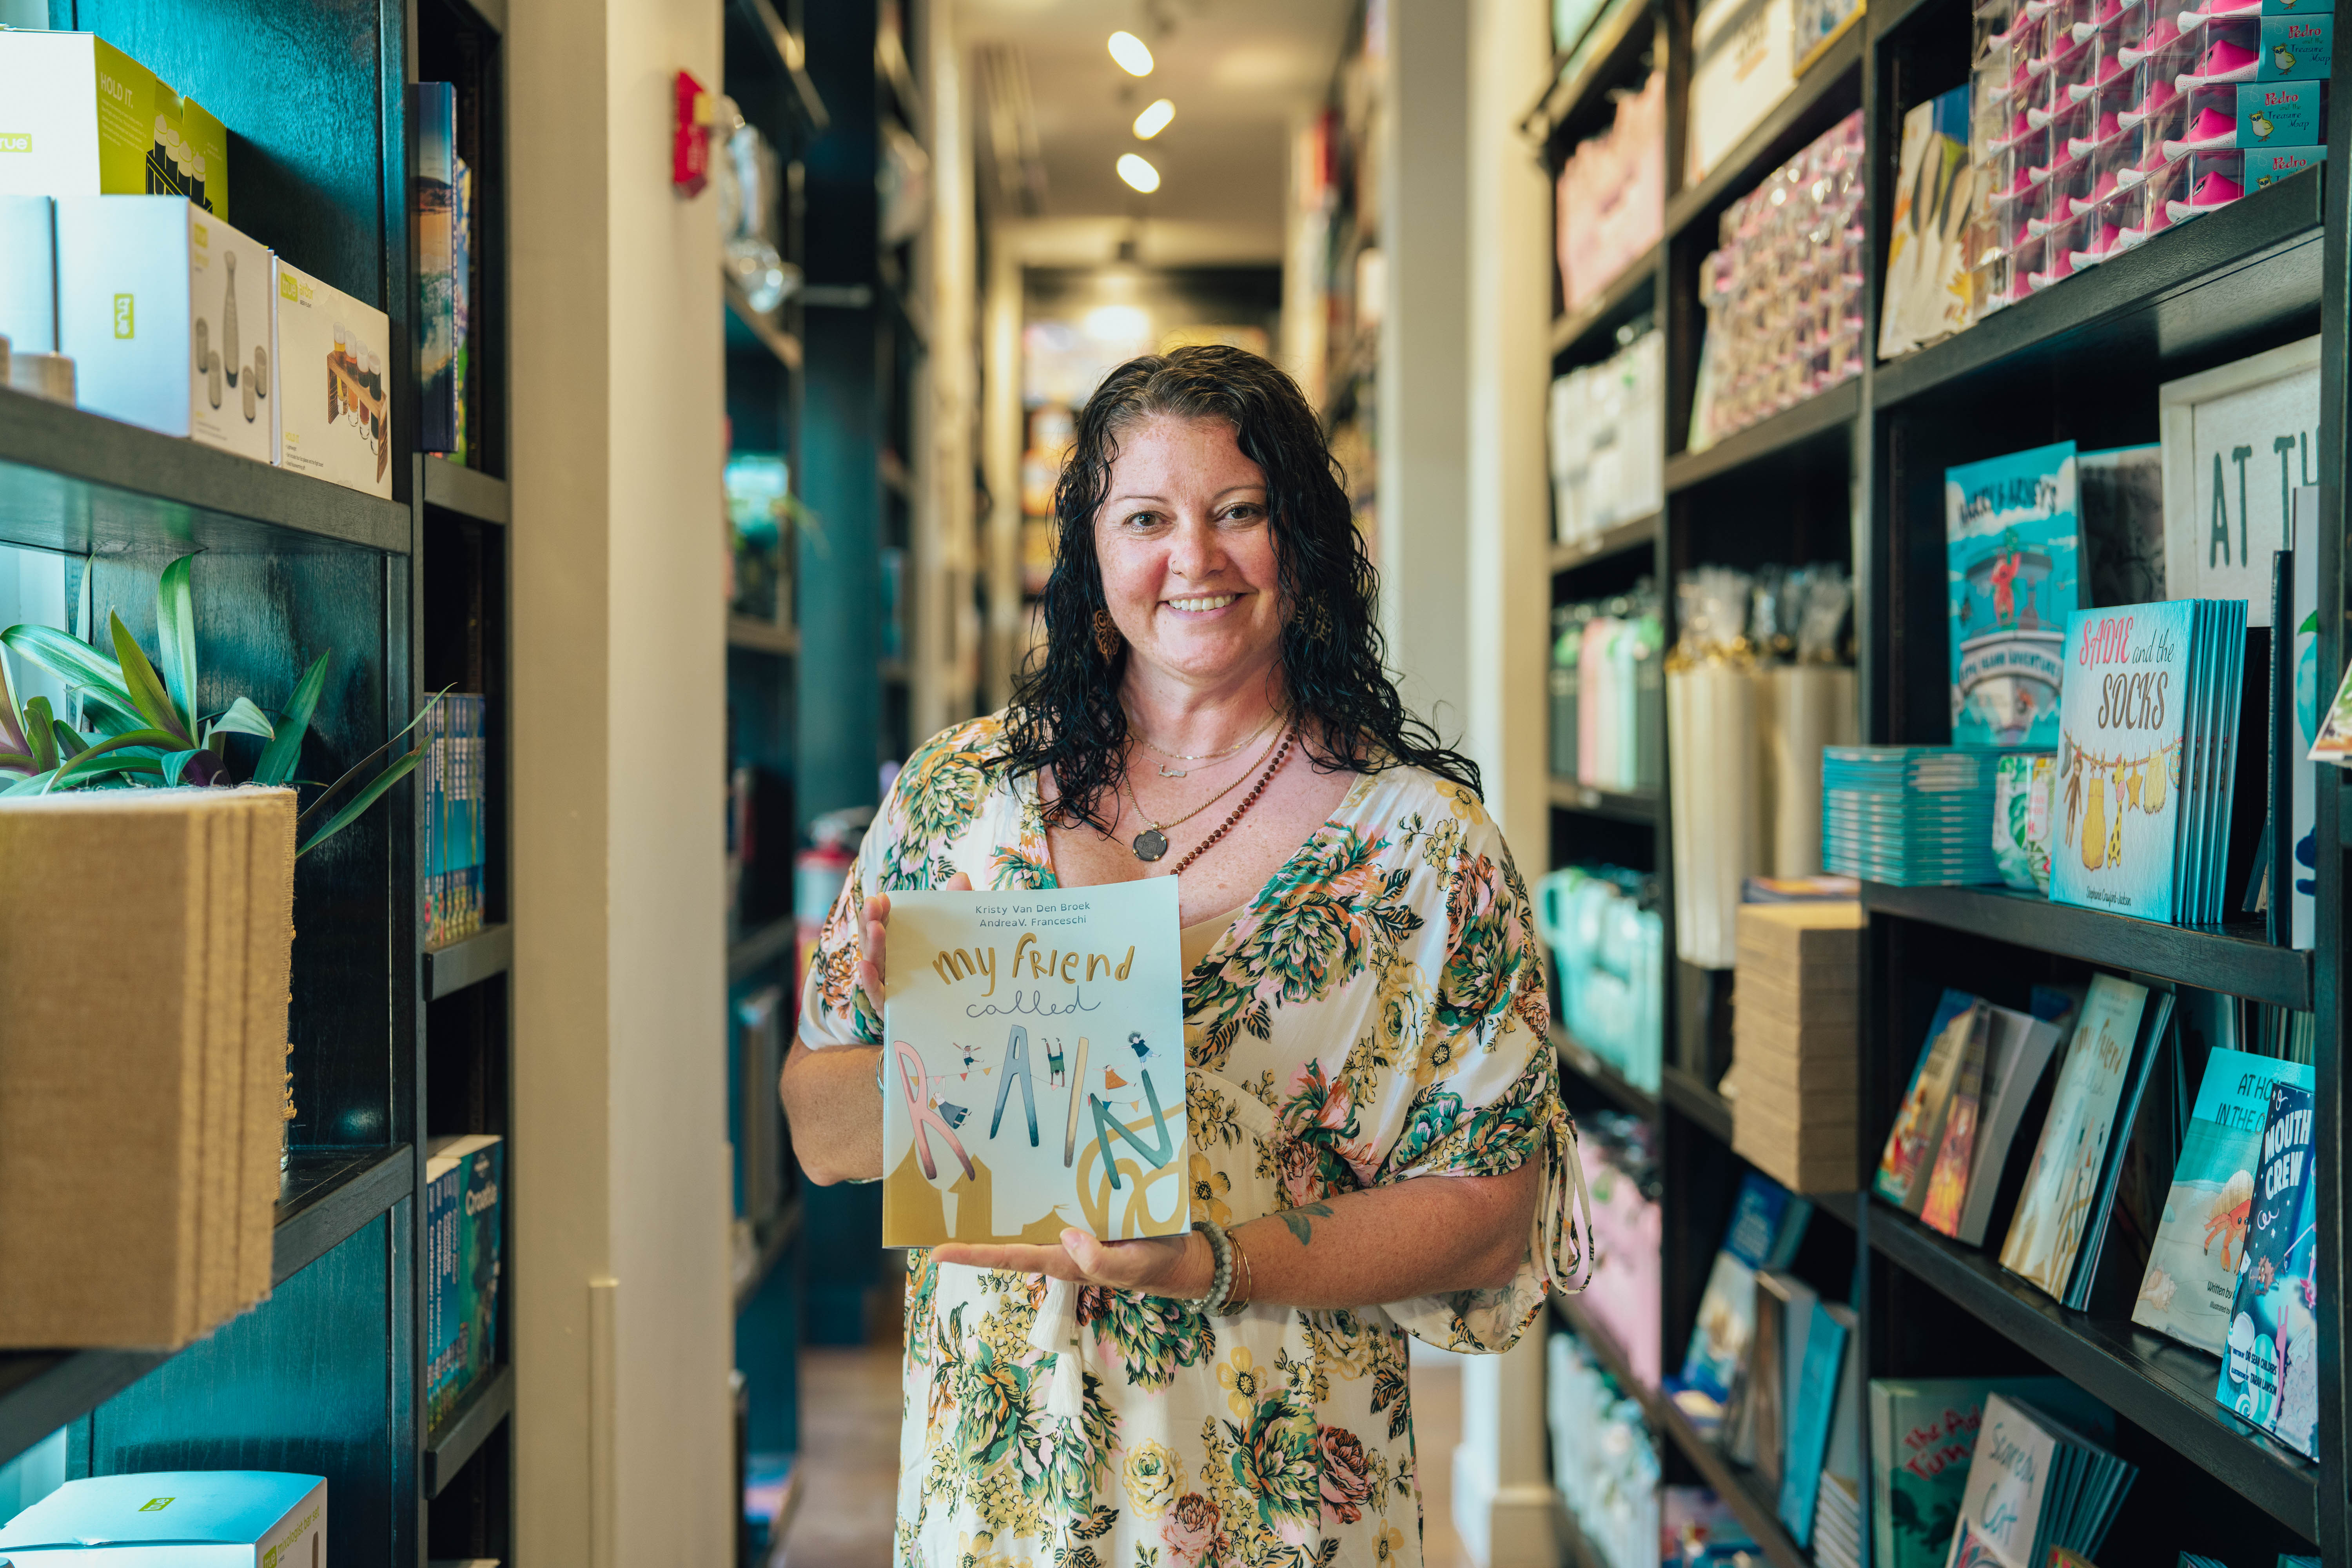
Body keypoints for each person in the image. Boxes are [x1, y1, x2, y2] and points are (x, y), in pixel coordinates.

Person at [781, 344, 1591, 1568]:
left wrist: (1211, 1261)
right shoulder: (959, 801)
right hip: (1004, 1502)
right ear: (1091, 550)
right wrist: (937, 1056)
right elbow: (819, 1128)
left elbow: (1489, 1216)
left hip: (1284, 1492)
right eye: (1146, 517)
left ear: (1303, 540)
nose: (1194, 560)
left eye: (1240, 512)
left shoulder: (1430, 847)